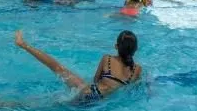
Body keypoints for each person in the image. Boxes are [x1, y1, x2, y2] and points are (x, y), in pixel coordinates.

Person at [12, 29, 142, 104]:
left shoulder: (107, 58)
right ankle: (12, 105)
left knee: (58, 68)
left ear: (116, 46)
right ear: (135, 50)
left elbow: (96, 80)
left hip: (90, 92)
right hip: (100, 99)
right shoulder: (137, 70)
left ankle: (23, 44)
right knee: (52, 105)